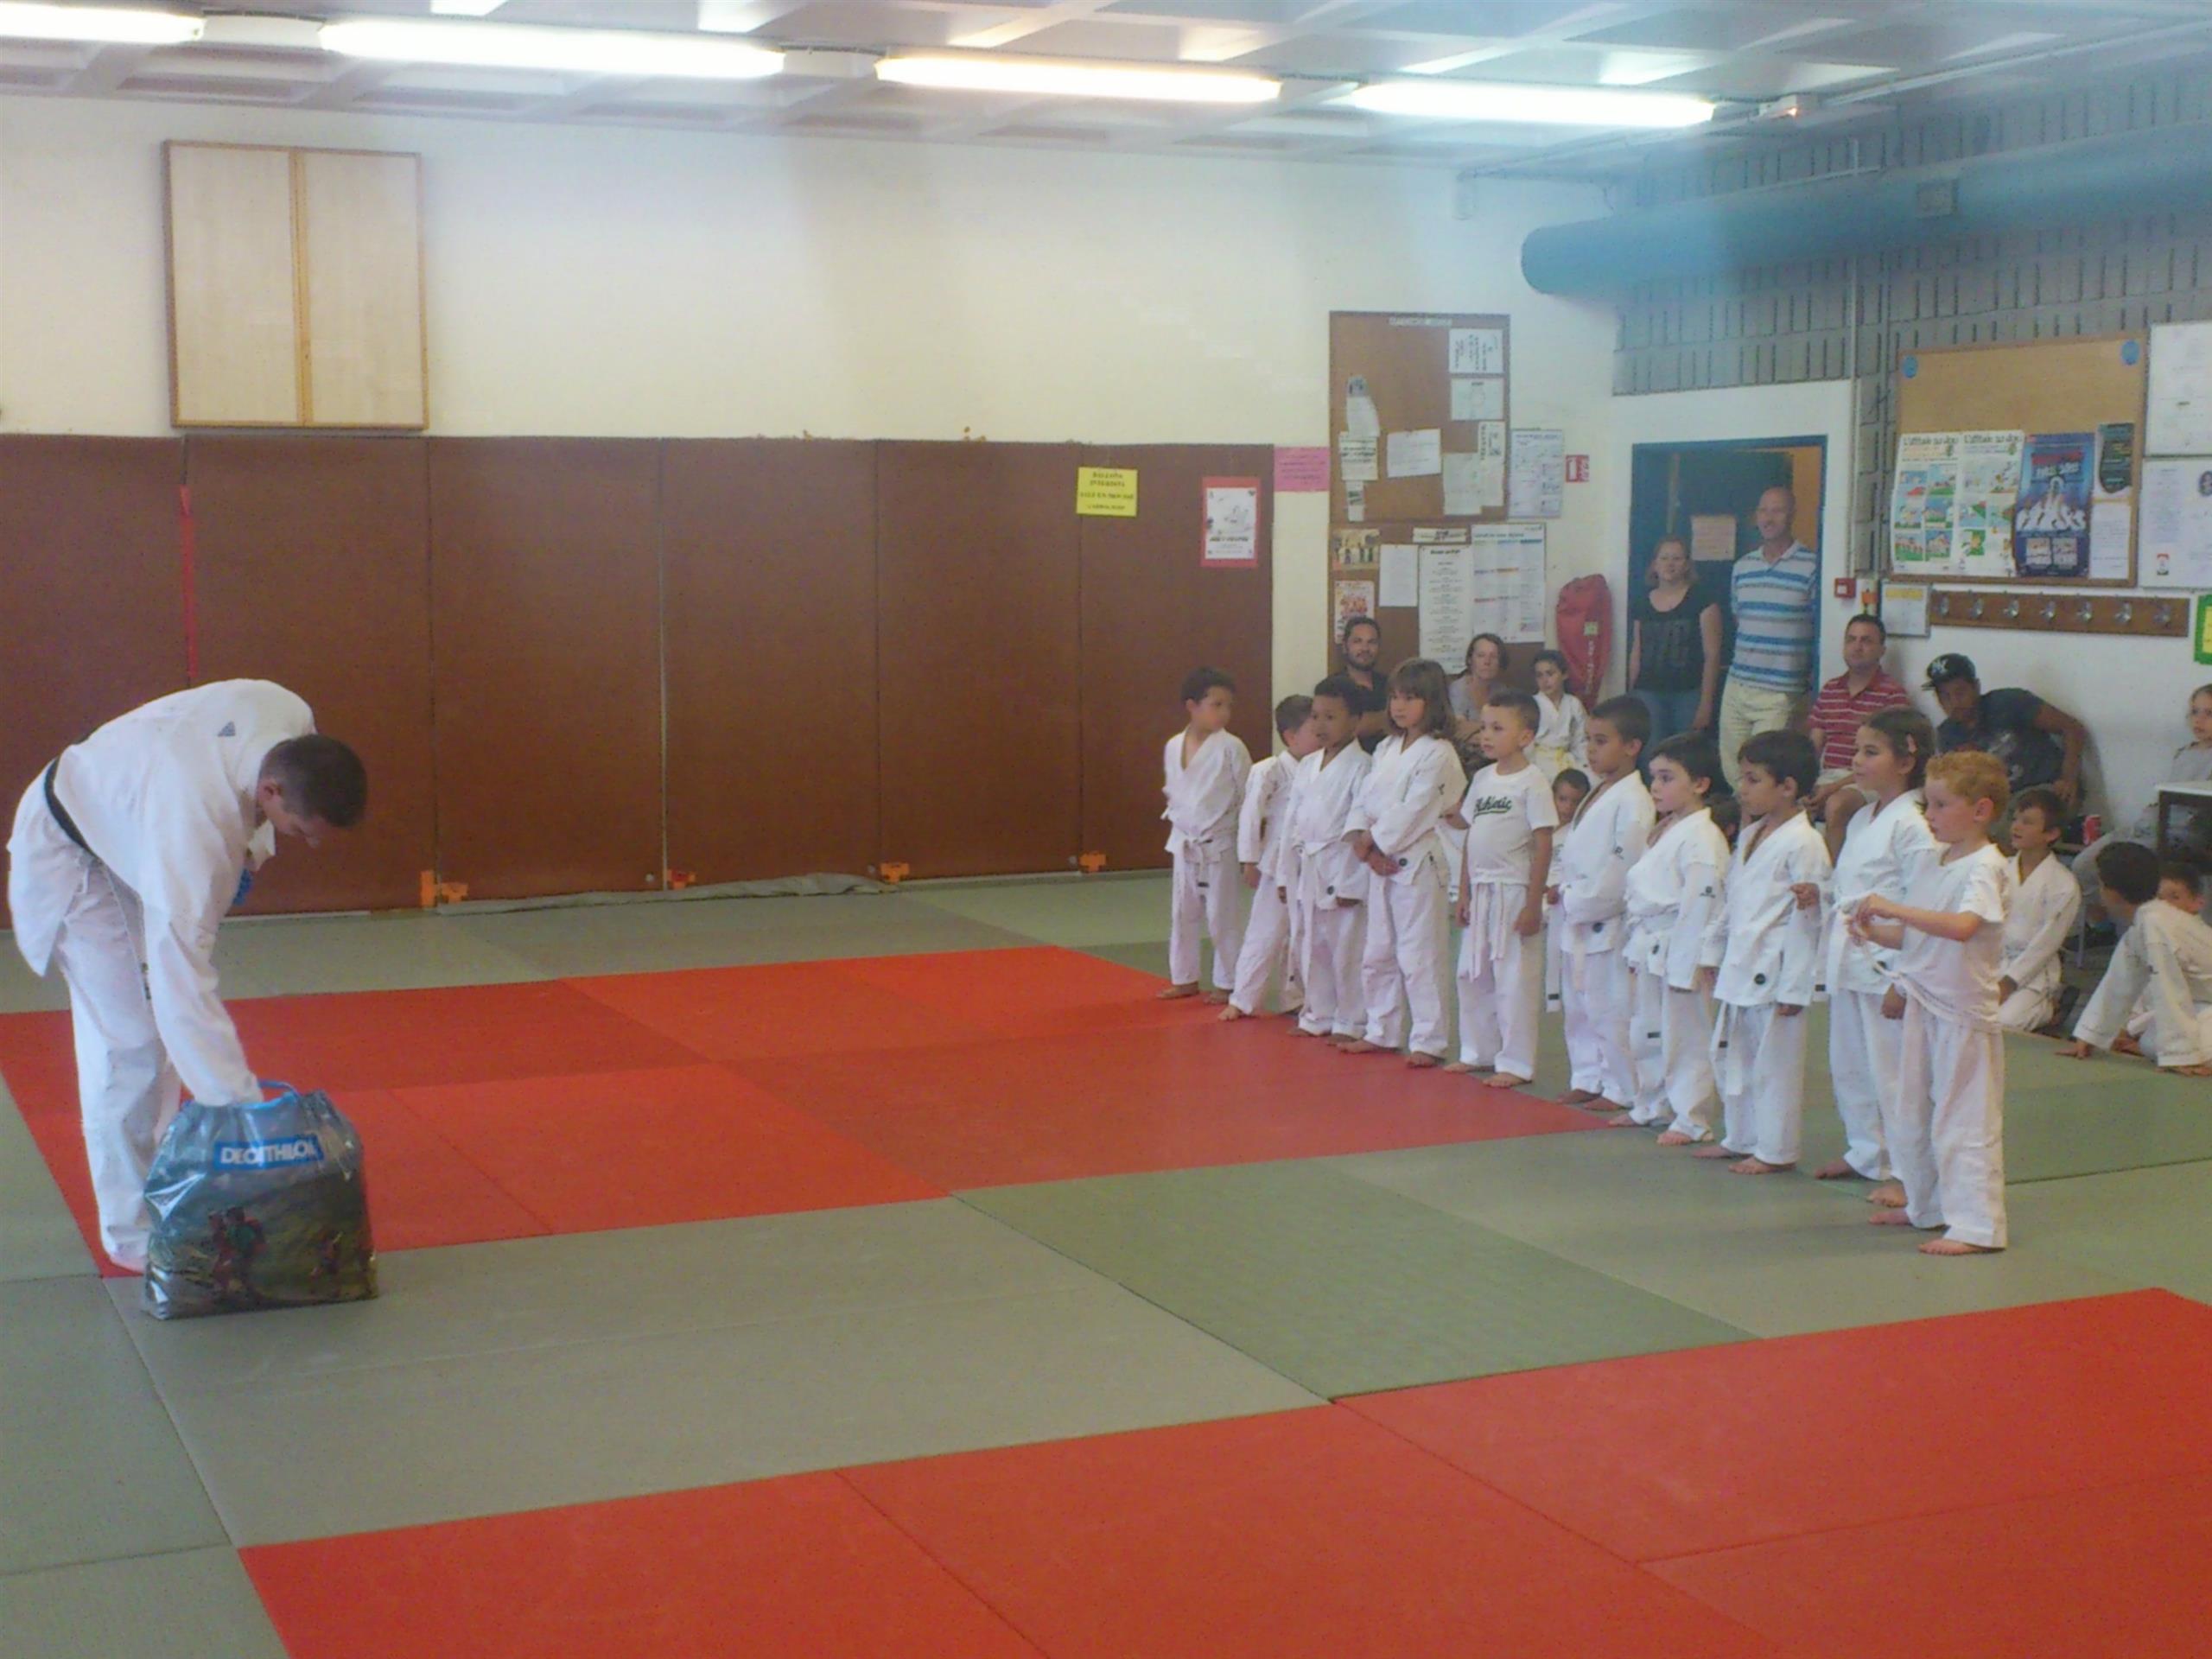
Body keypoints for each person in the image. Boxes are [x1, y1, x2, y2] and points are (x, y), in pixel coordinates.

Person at [5, 680, 366, 1271]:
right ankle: (132, 1234)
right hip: (73, 852)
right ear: (271, 791)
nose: (309, 845)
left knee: (157, 1044)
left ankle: (172, 1184)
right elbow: (183, 990)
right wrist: (243, 1111)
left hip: (131, 808)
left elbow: (243, 783)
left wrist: (251, 847)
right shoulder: (194, 833)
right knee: (132, 1045)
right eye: (301, 830)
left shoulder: (289, 710)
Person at [1853, 749, 2015, 1255]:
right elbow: (1919, 935)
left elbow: (1963, 927)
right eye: (1929, 804)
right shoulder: (1933, 862)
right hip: (1925, 998)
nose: (1931, 816)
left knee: (1964, 1118)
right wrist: (1873, 931)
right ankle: (1926, 1205)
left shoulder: (1986, 866)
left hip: (1963, 1011)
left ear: (1981, 810)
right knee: (1910, 1111)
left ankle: (1977, 1226)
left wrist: (1894, 908)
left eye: (1943, 805)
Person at [1816, 707, 1939, 1190]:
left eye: (1871, 752)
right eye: (1856, 750)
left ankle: (1908, 1173)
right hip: (1851, 956)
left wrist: (1904, 980)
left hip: (1889, 963)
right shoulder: (1864, 817)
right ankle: (1868, 1153)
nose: (1856, 760)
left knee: (1895, 1075)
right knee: (1851, 1066)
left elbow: (1923, 907)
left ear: (1906, 760)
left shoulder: (1916, 825)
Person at [1699, 729, 1829, 1175]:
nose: (1742, 788)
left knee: (1775, 1065)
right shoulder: (1753, 833)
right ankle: (1741, 1136)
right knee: (1734, 1055)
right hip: (1742, 960)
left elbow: (1809, 920)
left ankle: (1776, 1148)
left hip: (1775, 968)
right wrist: (1712, 951)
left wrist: (1796, 986)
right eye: (1742, 778)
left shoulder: (1805, 842)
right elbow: (1732, 899)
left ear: (1788, 787)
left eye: (1753, 779)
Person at [1344, 659, 1465, 1066]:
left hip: (1416, 862)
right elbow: (1364, 799)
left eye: (1410, 698)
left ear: (1432, 703)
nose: (1399, 706)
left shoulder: (1439, 753)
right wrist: (1361, 842)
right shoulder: (1385, 748)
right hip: (1379, 861)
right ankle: (1382, 1029)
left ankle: (1429, 1040)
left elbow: (1416, 808)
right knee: (1378, 950)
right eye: (1395, 697)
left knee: (1419, 954)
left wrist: (1374, 842)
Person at [1445, 689, 1554, 1090]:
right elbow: (1471, 838)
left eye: (1497, 728)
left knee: (1514, 979)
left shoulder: (1534, 782)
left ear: (1525, 736)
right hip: (1481, 889)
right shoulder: (1482, 779)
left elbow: (1543, 844)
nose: (1486, 736)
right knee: (1472, 974)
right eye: (1484, 727)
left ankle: (1516, 1061)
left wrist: (1533, 903)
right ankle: (1478, 1050)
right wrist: (1464, 892)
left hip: (1514, 891)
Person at [1623, 732, 1728, 1143]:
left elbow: (1700, 905)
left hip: (1680, 942)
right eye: (1654, 777)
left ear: (1700, 783)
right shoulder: (1670, 828)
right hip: (1650, 941)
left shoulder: (1703, 837)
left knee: (1686, 1034)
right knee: (1647, 1030)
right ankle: (1652, 1103)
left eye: (1667, 778)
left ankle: (1692, 1117)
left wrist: (1689, 963)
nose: (1656, 787)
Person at [1550, 696, 1654, 1115]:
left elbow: (1621, 869)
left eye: (1601, 741)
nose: (1591, 750)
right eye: (1589, 740)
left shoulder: (1635, 801)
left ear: (1632, 746)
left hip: (1606, 918)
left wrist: (1581, 901)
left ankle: (1621, 1086)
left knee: (1609, 1007)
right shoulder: (1600, 791)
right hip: (1577, 910)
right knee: (1579, 1006)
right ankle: (1587, 1076)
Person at [2063, 841, 2212, 1076]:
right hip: (2203, 1005)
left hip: (2204, 1004)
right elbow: (2119, 980)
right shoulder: (2148, 920)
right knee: (2152, 1043)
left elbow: (2170, 989)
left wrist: (2180, 1055)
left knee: (2167, 1047)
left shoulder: (2158, 925)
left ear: (2111, 891)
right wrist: (2090, 1036)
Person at [1287, 677, 1372, 1046]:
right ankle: (1318, 1013)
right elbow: (1294, 821)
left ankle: (1352, 1021)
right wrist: (1286, 872)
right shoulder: (1307, 764)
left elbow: (1360, 826)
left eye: (1331, 717)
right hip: (1310, 863)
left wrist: (1353, 883)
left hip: (1343, 864)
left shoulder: (1363, 766)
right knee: (1311, 943)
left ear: (1355, 721)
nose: (1320, 725)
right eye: (1315, 716)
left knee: (1347, 948)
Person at [2073, 683, 2212, 910]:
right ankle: (2099, 922)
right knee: (2083, 865)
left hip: (2177, 837)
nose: (2199, 720)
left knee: (2130, 875)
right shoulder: (2185, 753)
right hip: (2146, 826)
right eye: (2195, 712)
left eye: (2209, 714)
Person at [1717, 486, 1820, 788]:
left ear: (1792, 515)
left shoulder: (1812, 566)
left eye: (1777, 510)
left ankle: (1760, 818)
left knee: (1765, 771)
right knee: (1733, 770)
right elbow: (1740, 619)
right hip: (1738, 684)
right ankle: (1744, 818)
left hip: (1780, 690)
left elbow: (1818, 627)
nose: (1768, 518)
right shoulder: (1743, 567)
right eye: (1763, 510)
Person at [1159, 666, 1251, 1002]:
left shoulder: (1232, 747)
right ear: (1192, 706)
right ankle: (1184, 978)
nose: (1224, 713)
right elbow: (1174, 791)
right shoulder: (1173, 745)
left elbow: (1246, 797)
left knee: (1221, 916)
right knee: (1182, 913)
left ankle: (1228, 982)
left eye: (1228, 706)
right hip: (1185, 840)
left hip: (1220, 841)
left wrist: (1248, 849)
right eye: (1216, 705)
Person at [1223, 696, 1318, 1023]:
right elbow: (1251, 817)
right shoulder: (1269, 769)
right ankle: (1243, 999)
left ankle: (1295, 997)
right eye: (1313, 730)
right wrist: (1249, 860)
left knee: (1302, 934)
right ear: (1291, 736)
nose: (1321, 736)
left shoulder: (1319, 769)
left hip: (1310, 860)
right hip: (1275, 860)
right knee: (1265, 932)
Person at [1805, 614, 1912, 859]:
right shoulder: (1831, 689)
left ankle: (1834, 875)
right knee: (1781, 795)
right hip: (1827, 776)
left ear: (1881, 650)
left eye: (1866, 641)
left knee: (1836, 804)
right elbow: (1813, 747)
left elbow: (1889, 760)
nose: (1857, 646)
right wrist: (1804, 783)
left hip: (1869, 778)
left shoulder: (1892, 694)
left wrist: (1832, 788)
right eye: (1851, 639)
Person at [1926, 653, 2086, 810]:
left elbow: (2072, 728)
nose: (1954, 703)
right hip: (2001, 802)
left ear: (1976, 687)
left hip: (2046, 787)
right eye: (1944, 697)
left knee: (2024, 821)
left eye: (1960, 692)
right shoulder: (1948, 735)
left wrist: (2068, 779)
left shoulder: (2009, 703)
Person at [1996, 787, 2081, 1034]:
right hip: (1991, 962)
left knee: (2003, 1023)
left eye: (2028, 822)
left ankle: (2049, 1007)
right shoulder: (2000, 869)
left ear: (2051, 833)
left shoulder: (2063, 884)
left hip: (2032, 974)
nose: (2016, 827)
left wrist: (2010, 982)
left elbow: (2047, 943)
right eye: (2015, 819)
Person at [1628, 536, 1722, 747]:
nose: (1670, 564)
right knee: (1651, 751)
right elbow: (1637, 651)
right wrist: (1632, 693)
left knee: (1685, 752)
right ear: (1654, 564)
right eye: (1664, 558)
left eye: (1677, 558)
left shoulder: (1702, 600)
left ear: (1687, 564)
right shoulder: (1641, 602)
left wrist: (1706, 703)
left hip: (1688, 693)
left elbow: (1712, 655)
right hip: (1648, 691)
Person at [1529, 649, 1589, 782]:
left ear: (1564, 674)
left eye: (1550, 674)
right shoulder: (1531, 704)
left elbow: (1580, 740)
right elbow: (1526, 743)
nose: (1545, 680)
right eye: (1539, 675)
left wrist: (1584, 763)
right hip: (1538, 763)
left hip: (1568, 760)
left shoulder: (1573, 703)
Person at [1337, 615, 1391, 752]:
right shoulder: (1333, 687)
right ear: (1345, 647)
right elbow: (1345, 730)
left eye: (1372, 642)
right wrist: (1389, 718)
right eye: (1357, 641)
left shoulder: (1391, 684)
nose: (1365, 648)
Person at [1446, 633, 1509, 725]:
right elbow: (1460, 727)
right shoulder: (1458, 689)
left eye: (1493, 656)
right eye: (1481, 655)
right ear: (1470, 660)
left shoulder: (1501, 691)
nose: (1487, 662)